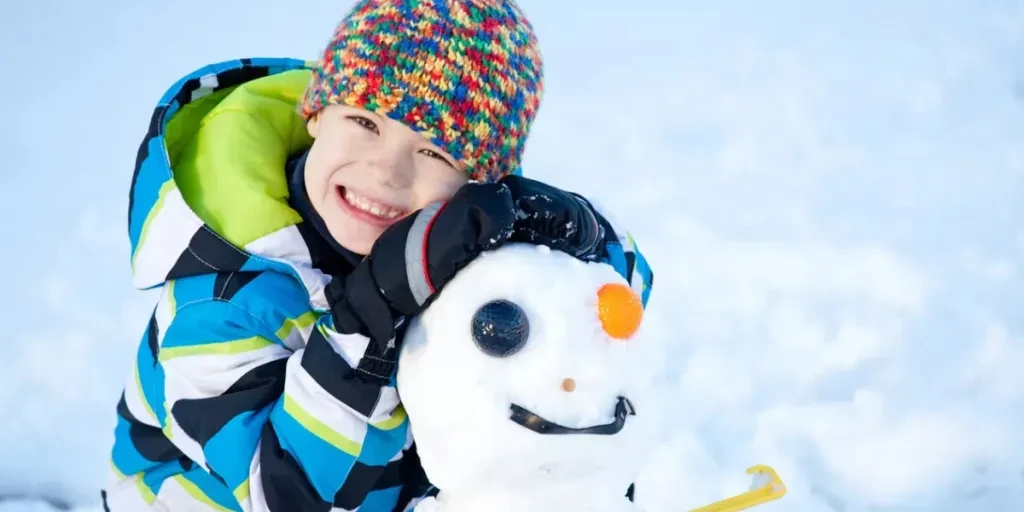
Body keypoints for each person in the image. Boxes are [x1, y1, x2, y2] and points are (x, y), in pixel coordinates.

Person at [104, 0, 654, 510]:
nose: (387, 172)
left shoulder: (450, 230)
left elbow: (613, 306)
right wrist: (368, 320)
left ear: (477, 181)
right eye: (365, 123)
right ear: (316, 113)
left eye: (434, 150)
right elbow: (282, 493)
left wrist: (574, 236)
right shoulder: (219, 301)